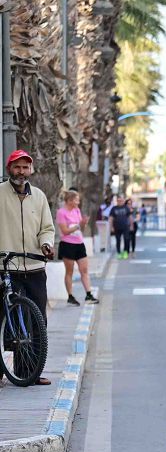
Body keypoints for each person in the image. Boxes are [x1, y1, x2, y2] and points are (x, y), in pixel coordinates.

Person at [0, 150, 56, 386]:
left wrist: (46, 244)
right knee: (1, 318)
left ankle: (30, 371)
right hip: (5, 266)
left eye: (25, 167)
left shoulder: (39, 197)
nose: (21, 172)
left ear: (31, 170)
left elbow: (47, 227)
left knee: (36, 319)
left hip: (34, 266)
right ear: (8, 169)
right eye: (17, 167)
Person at [56, 189, 98, 306]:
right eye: (76, 200)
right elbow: (64, 231)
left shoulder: (77, 210)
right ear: (69, 200)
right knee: (69, 271)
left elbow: (82, 229)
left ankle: (89, 294)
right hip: (67, 244)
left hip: (79, 243)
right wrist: (78, 226)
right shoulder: (61, 212)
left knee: (84, 270)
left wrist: (84, 223)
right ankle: (70, 296)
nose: (78, 203)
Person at [109, 195, 132, 260]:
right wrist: (111, 227)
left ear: (123, 201)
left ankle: (125, 252)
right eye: (118, 201)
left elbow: (130, 217)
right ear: (117, 201)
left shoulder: (126, 208)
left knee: (126, 239)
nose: (120, 202)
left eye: (121, 200)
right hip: (117, 227)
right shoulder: (114, 208)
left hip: (125, 227)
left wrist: (131, 225)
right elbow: (111, 218)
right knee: (118, 240)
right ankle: (119, 253)